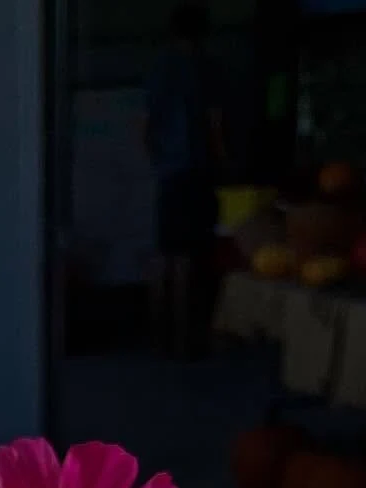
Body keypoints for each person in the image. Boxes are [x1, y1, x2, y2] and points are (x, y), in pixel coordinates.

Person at [144, 4, 224, 357]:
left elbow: (146, 125)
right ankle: (186, 337)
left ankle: (158, 335)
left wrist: (158, 159)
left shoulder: (159, 67)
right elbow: (213, 123)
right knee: (189, 256)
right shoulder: (204, 69)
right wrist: (223, 162)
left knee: (165, 253)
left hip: (168, 171)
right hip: (195, 169)